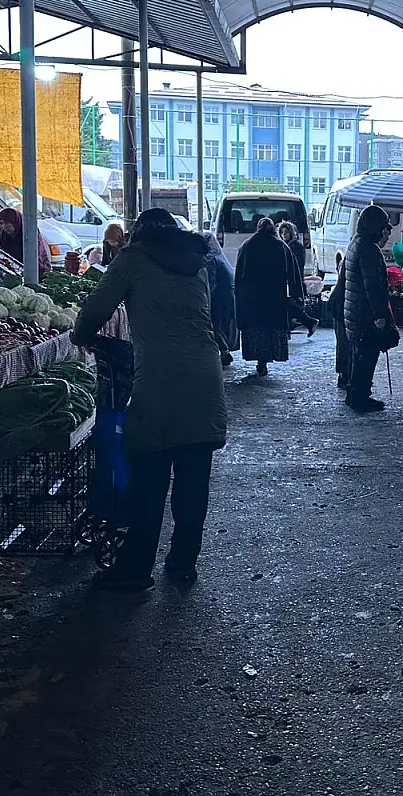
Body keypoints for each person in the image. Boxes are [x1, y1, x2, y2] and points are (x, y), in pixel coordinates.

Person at [71, 208, 227, 592]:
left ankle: (136, 568)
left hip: (158, 380)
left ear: (139, 234)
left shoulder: (133, 259)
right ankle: (183, 564)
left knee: (149, 479)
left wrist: (81, 336)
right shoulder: (196, 262)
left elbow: (96, 308)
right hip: (205, 378)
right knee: (193, 480)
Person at [342, 205, 393, 413]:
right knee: (366, 356)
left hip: (355, 310)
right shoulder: (369, 249)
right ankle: (360, 398)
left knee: (358, 355)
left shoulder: (356, 243)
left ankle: (355, 394)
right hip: (364, 313)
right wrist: (380, 315)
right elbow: (372, 286)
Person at [235, 217, 298, 377]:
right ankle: (266, 359)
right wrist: (296, 295)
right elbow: (293, 274)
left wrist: (239, 298)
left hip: (252, 300)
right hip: (274, 299)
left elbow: (239, 277)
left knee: (256, 330)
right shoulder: (280, 246)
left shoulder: (247, 246)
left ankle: (260, 361)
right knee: (271, 330)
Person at [202, 231, 237, 367]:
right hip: (229, 296)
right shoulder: (221, 257)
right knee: (224, 323)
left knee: (216, 323)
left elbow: (211, 283)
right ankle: (225, 349)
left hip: (218, 298)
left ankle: (224, 350)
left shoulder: (211, 259)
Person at [277, 221, 318, 336]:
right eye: (282, 232)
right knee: (289, 305)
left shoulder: (295, 246)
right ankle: (303, 323)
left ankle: (308, 322)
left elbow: (297, 265)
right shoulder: (286, 246)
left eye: (286, 232)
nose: (284, 235)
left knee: (290, 305)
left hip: (294, 281)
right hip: (290, 281)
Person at [0, 207, 51, 276]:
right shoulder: (4, 236)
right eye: (1, 223)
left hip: (36, 270)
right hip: (15, 272)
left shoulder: (28, 231)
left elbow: (35, 255)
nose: (4, 226)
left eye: (7, 222)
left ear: (14, 221)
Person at [330, 258, 350, 390]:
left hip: (341, 302)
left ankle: (345, 375)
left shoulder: (350, 254)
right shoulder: (363, 253)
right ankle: (345, 375)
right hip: (344, 304)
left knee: (343, 342)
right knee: (345, 342)